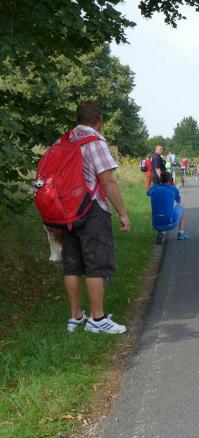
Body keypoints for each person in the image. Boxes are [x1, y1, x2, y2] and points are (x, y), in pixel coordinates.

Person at [62, 101, 130, 334]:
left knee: (71, 265)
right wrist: (122, 214)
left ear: (77, 119)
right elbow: (108, 181)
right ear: (99, 120)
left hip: (66, 211)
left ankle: (75, 317)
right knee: (95, 265)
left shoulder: (65, 140)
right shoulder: (95, 142)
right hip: (91, 209)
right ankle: (97, 319)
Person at [147, 170, 188, 243]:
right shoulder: (173, 189)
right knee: (182, 206)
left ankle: (161, 233)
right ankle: (181, 233)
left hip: (155, 224)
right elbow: (178, 201)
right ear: (170, 179)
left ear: (160, 179)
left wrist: (152, 186)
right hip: (170, 223)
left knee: (161, 212)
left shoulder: (154, 188)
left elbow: (148, 193)